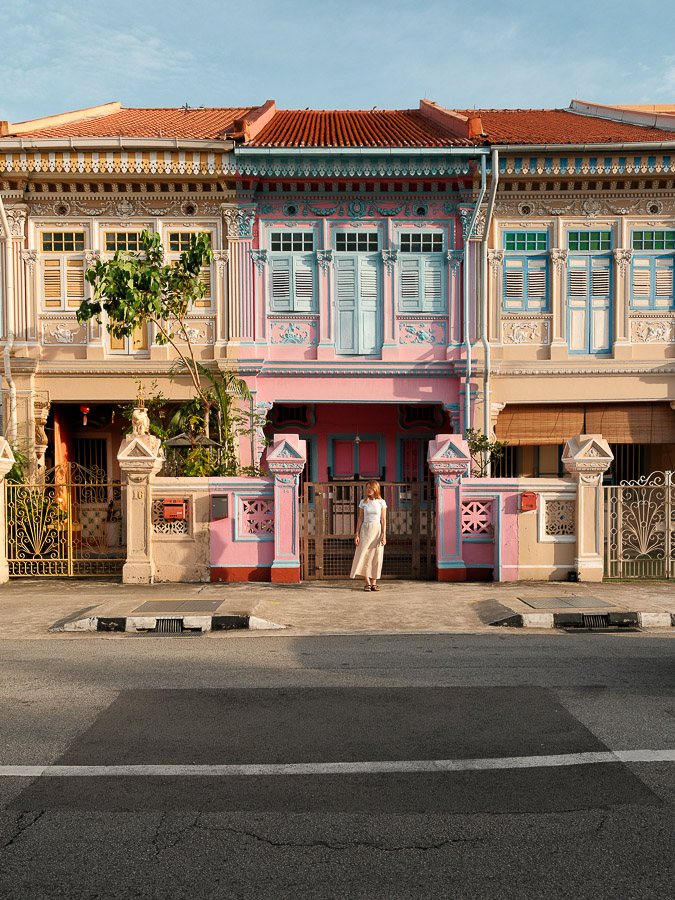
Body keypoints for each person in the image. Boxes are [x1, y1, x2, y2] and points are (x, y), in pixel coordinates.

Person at [350, 480, 387, 591]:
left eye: (370, 488)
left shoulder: (381, 502)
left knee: (376, 555)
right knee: (364, 554)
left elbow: (384, 519)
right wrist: (357, 534)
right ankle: (367, 583)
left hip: (377, 529)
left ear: (375, 489)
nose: (368, 490)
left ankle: (374, 582)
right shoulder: (363, 502)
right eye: (367, 488)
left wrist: (384, 535)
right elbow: (360, 518)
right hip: (365, 529)